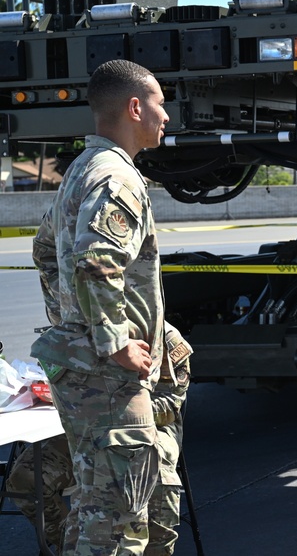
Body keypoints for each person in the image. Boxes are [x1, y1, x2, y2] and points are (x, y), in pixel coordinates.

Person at [30, 58, 170, 555]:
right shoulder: (117, 178)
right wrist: (113, 343)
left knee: (94, 507)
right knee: (118, 519)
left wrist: (68, 319)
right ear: (135, 107)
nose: (166, 115)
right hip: (107, 378)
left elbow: (46, 250)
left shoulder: (81, 171)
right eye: (159, 102)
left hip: (83, 367)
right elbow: (95, 264)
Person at [6, 325, 193, 555]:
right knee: (26, 479)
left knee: (158, 483)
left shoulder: (162, 336)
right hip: (86, 429)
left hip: (151, 430)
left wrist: (110, 410)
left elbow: (169, 406)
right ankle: (78, 544)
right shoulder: (78, 332)